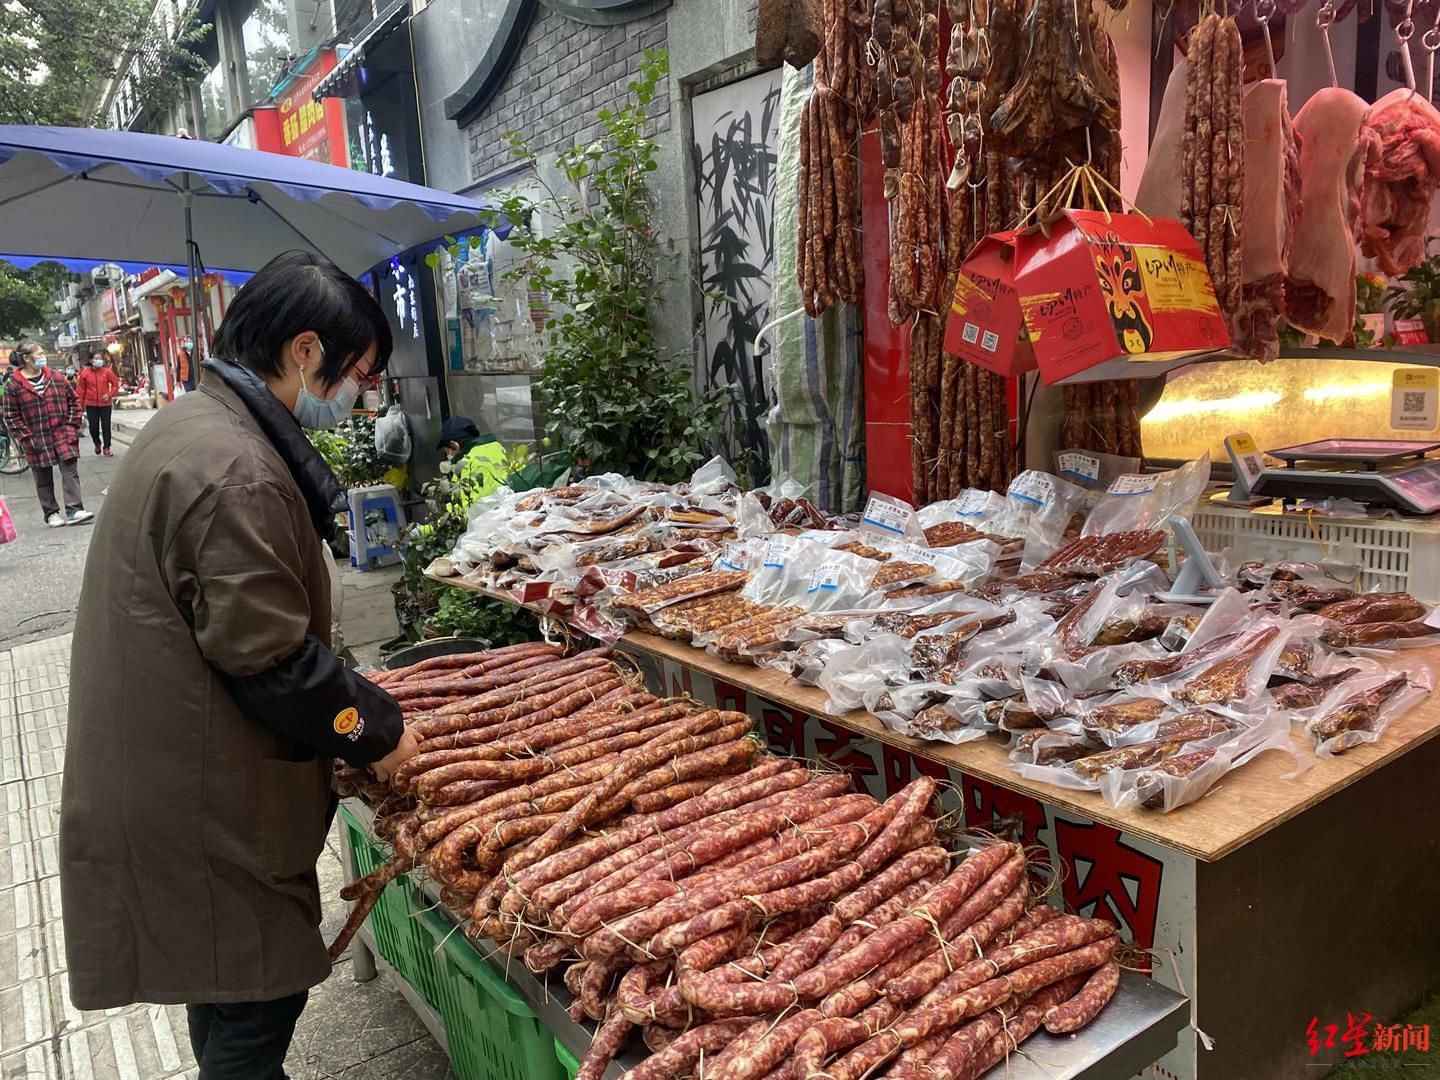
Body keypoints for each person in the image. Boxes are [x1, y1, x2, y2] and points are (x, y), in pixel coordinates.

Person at [59, 251, 422, 1080]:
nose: (357, 396)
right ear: (304, 351)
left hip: (173, 770)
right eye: (356, 374)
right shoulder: (234, 470)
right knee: (255, 1000)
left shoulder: (198, 421)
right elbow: (274, 662)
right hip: (202, 798)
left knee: (225, 988)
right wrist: (374, 730)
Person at [0, 341, 93, 527]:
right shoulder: (13, 385)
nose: (43, 357)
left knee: (70, 470)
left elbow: (73, 401)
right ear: (26, 358)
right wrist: (25, 437)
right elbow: (11, 416)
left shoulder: (57, 377)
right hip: (35, 437)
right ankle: (51, 512)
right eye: (39, 354)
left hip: (62, 432)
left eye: (43, 353)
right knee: (42, 476)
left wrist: (72, 425)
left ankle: (74, 509)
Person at [436, 415, 508, 497]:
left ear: (454, 445)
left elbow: (464, 504)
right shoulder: (498, 447)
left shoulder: (466, 464)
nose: (449, 456)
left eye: (448, 452)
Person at [75, 351, 120, 456]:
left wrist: (109, 395)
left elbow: (115, 385)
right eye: (96, 358)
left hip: (105, 404)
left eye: (100, 358)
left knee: (106, 426)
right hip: (91, 404)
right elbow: (80, 390)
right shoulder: (85, 373)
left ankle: (107, 447)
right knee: (93, 427)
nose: (99, 360)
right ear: (91, 360)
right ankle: (97, 443)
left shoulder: (107, 372)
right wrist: (79, 406)